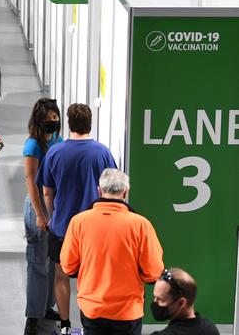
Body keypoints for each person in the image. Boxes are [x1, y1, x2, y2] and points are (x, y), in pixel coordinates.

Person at [41, 103, 117, 335]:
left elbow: (46, 190)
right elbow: (113, 189)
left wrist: (52, 215)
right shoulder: (102, 153)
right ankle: (89, 325)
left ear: (69, 123)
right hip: (95, 229)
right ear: (89, 123)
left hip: (63, 227)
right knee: (91, 277)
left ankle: (65, 326)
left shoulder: (55, 152)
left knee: (61, 276)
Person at [61, 169, 165, 335]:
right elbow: (153, 272)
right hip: (128, 312)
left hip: (92, 308)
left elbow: (68, 267)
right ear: (126, 191)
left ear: (99, 191)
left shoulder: (79, 221)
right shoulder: (141, 225)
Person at [22, 98, 63, 335]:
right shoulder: (32, 146)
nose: (52, 122)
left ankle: (46, 306)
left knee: (51, 262)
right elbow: (30, 180)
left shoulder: (58, 140)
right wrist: (39, 214)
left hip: (55, 204)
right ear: (38, 121)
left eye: (55, 119)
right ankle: (33, 316)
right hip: (38, 204)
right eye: (48, 120)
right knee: (37, 263)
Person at [150, 268, 220, 335]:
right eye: (155, 297)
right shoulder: (211, 329)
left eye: (161, 300)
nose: (155, 302)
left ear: (181, 303)